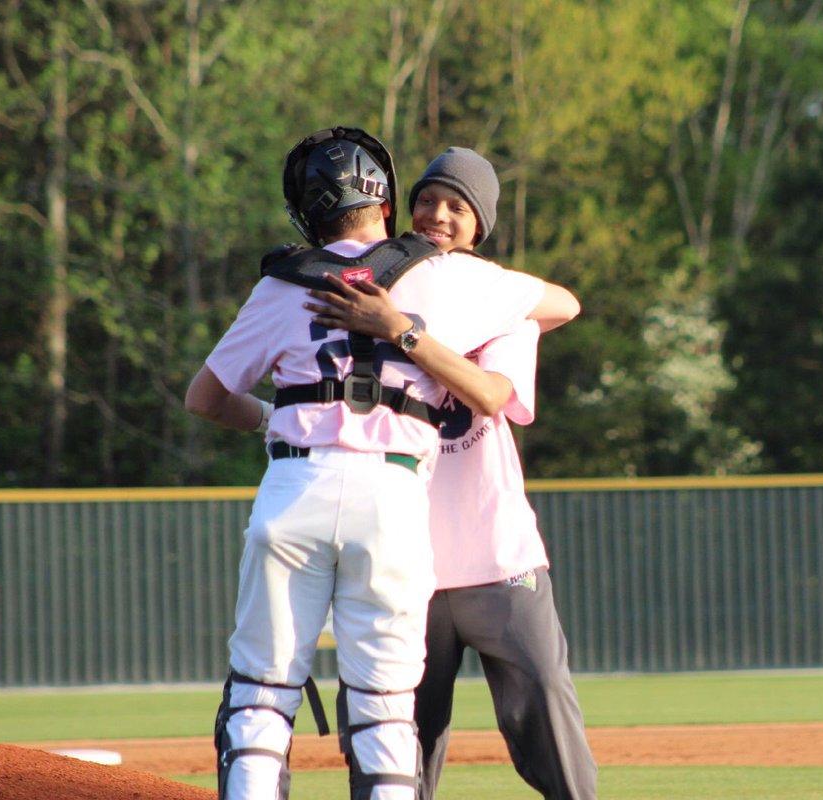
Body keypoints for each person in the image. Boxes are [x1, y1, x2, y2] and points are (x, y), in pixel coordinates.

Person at [184, 127, 579, 800]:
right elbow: (562, 304)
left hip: (294, 485)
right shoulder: (451, 274)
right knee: (387, 708)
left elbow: (206, 398)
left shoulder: (282, 284)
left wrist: (266, 420)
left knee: (260, 697)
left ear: (308, 207)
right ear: (388, 198)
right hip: (394, 498)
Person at [305, 147, 597, 799]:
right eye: (429, 199)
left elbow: (492, 395)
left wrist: (404, 334)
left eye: (458, 206)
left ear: (480, 225)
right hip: (402, 569)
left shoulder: (499, 305)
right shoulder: (370, 296)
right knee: (392, 754)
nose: (439, 214)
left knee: (553, 730)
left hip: (501, 563)